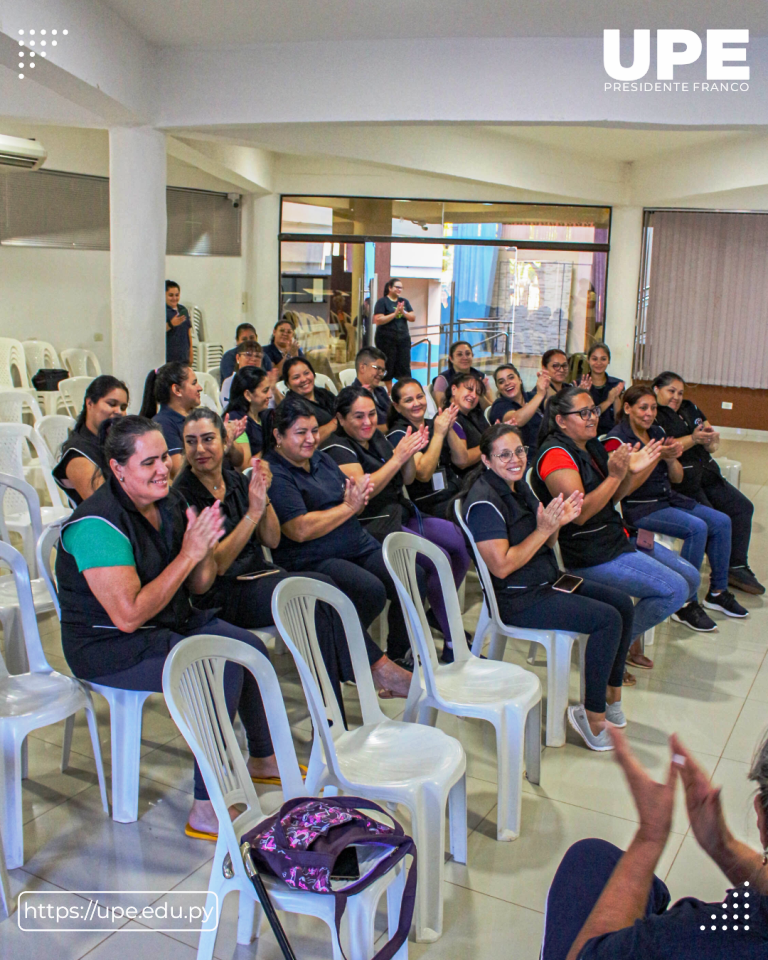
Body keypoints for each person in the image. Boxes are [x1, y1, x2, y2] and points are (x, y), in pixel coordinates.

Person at [55, 416, 279, 841]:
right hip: (109, 644)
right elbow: (128, 615)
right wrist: (187, 555)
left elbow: (200, 584)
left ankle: (262, 759)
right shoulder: (96, 525)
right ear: (118, 470)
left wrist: (203, 551)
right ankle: (206, 805)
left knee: (248, 649)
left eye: (164, 458)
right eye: (149, 463)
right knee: (217, 667)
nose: (164, 469)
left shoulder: (169, 504)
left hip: (165, 623)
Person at [173, 409, 412, 700]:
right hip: (222, 593)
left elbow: (271, 539)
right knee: (313, 595)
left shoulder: (234, 480)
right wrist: (253, 513)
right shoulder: (184, 494)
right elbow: (219, 567)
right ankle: (375, 671)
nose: (200, 449)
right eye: (191, 441)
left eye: (208, 439)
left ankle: (333, 707)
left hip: (261, 575)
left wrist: (265, 499)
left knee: (325, 594)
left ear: (224, 441)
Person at [462, 423, 635, 751]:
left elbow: (544, 539)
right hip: (520, 597)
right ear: (485, 460)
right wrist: (544, 530)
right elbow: (501, 566)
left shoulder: (517, 487)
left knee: (622, 605)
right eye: (504, 454)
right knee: (606, 619)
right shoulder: (484, 502)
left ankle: (611, 697)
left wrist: (555, 525)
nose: (515, 459)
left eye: (519, 451)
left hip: (546, 578)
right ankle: (592, 715)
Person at [543, 727, 768, 959]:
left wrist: (649, 838)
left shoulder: (698, 935)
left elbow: (588, 955)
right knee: (600, 857)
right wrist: (724, 847)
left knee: (587, 861)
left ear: (760, 814)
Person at [531, 387, 702, 682]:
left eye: (594, 411)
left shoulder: (589, 445)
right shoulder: (556, 454)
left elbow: (612, 499)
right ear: (561, 420)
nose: (592, 418)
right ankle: (614, 648)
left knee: (691, 578)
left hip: (615, 536)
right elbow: (581, 513)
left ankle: (621, 640)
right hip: (588, 552)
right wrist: (614, 475)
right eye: (583, 413)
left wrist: (630, 472)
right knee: (674, 589)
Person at [265, 397, 426, 665]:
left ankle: (398, 654)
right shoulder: (276, 473)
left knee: (412, 576)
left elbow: (354, 504)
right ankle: (342, 656)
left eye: (314, 431)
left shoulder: (321, 460)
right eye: (301, 433)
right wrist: (349, 507)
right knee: (370, 590)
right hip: (312, 556)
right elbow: (299, 529)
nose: (311, 439)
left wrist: (355, 503)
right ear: (278, 436)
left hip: (354, 542)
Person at [323, 386, 471, 662]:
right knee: (425, 564)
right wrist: (399, 457)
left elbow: (407, 479)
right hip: (370, 526)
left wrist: (408, 455)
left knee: (459, 542)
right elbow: (364, 492)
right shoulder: (336, 448)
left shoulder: (377, 438)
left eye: (371, 414)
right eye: (358, 417)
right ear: (341, 420)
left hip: (398, 514)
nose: (367, 422)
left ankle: (436, 616)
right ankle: (425, 646)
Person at [605, 387, 746, 633]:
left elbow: (677, 478)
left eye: (653, 408)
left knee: (722, 521)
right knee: (697, 528)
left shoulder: (658, 432)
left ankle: (717, 591)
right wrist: (655, 457)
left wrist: (670, 459)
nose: (649, 414)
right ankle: (686, 603)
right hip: (641, 507)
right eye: (643, 408)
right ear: (627, 408)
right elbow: (624, 491)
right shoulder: (618, 440)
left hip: (668, 498)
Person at [653, 371, 764, 596]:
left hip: (708, 473)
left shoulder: (690, 408)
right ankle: (716, 578)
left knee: (743, 508)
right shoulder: (655, 416)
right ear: (656, 390)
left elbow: (711, 438)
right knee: (715, 520)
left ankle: (737, 565)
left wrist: (712, 441)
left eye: (680, 392)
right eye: (670, 391)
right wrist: (694, 439)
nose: (676, 397)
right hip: (684, 481)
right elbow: (665, 448)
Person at [139, 362, 246, 478]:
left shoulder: (203, 416)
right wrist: (221, 446)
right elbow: (178, 471)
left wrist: (228, 439)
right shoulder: (163, 424)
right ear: (177, 390)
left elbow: (239, 461)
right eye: (194, 383)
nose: (200, 388)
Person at [386, 378, 463, 519]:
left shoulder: (433, 423)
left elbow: (461, 460)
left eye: (420, 397)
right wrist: (439, 434)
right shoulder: (399, 434)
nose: (416, 403)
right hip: (429, 503)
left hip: (454, 491)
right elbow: (423, 474)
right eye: (408, 400)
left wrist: (449, 428)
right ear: (397, 406)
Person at [53, 375, 129, 505]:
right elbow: (106, 506)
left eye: (123, 407)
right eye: (112, 404)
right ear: (90, 403)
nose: (119, 412)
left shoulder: (114, 443)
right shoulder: (77, 455)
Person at [489, 363, 550, 460]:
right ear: (498, 387)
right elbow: (517, 420)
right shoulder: (499, 406)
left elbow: (554, 406)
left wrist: (547, 384)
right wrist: (540, 394)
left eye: (511, 377)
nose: (507, 383)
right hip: (524, 459)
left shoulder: (531, 397)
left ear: (520, 380)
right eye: (501, 382)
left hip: (547, 450)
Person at [280, 356, 337, 443]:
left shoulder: (323, 393)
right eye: (296, 377)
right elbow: (308, 439)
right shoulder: (291, 407)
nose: (303, 379)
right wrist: (336, 422)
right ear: (288, 384)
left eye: (306, 373)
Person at [444, 372, 489, 481]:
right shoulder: (450, 419)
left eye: (477, 392)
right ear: (454, 389)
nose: (474, 395)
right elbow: (463, 461)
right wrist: (491, 445)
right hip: (468, 482)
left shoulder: (474, 414)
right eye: (469, 389)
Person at [373, 278, 415, 390]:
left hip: (403, 339)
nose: (399, 289)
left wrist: (403, 312)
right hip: (386, 340)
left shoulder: (404, 301)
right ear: (390, 288)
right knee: (388, 366)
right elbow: (378, 319)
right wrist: (394, 314)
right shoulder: (382, 302)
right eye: (397, 287)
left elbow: (412, 317)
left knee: (404, 366)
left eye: (401, 287)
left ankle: (404, 390)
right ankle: (389, 392)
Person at [223, 366, 273, 457]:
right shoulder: (236, 421)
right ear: (248, 395)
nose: (270, 395)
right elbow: (245, 466)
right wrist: (274, 448)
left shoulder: (265, 415)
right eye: (265, 391)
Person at [433, 341, 493, 410]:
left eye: (468, 354)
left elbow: (490, 409)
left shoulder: (481, 377)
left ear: (472, 356)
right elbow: (441, 408)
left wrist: (479, 394)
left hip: (478, 418)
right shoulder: (443, 379)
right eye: (459, 354)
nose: (465, 357)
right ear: (451, 358)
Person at [586, 342, 625, 436]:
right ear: (588, 360)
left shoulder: (616, 384)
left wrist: (616, 398)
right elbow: (587, 416)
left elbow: (619, 419)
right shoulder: (581, 384)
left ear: (609, 361)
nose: (599, 363)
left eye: (603, 359)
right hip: (587, 434)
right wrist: (608, 401)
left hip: (612, 435)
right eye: (594, 359)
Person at [220, 339, 269, 407]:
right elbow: (227, 407)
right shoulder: (229, 382)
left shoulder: (265, 382)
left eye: (257, 356)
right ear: (238, 358)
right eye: (248, 354)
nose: (253, 359)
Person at [352, 346, 391, 427]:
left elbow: (394, 415)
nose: (381, 374)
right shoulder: (352, 397)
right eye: (377, 368)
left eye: (383, 371)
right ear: (362, 368)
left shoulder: (380, 391)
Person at [165, 280, 193, 365]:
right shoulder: (162, 311)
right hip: (169, 358)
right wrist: (171, 324)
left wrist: (191, 352)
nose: (174, 298)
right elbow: (157, 332)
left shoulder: (183, 310)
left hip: (183, 357)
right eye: (171, 295)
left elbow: (188, 332)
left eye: (177, 295)